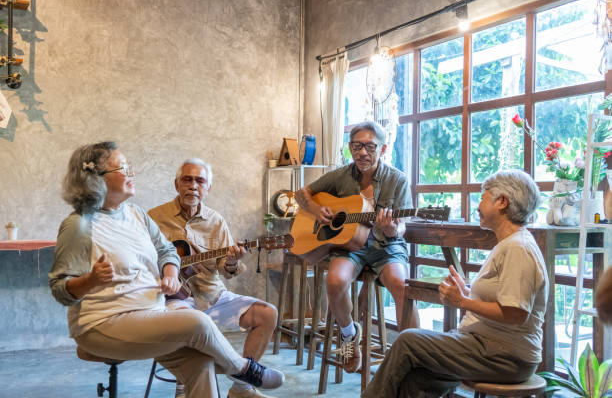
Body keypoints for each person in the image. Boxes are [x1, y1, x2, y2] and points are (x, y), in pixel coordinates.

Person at [49, 142, 284, 398]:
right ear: (95, 178)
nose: (131, 174)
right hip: (103, 323)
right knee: (197, 322)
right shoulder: (78, 225)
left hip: (154, 313)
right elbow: (60, 289)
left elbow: (167, 251)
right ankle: (243, 369)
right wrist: (90, 281)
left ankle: (239, 381)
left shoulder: (136, 213)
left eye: (130, 168)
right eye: (123, 168)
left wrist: (171, 274)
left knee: (201, 364)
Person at [362, 169, 549, 398]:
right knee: (417, 380)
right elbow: (500, 299)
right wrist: (467, 293)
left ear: (502, 202)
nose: (478, 205)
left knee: (407, 340)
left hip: (506, 356)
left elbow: (515, 313)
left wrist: (462, 301)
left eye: (483, 197)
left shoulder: (519, 248)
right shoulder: (508, 244)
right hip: (483, 345)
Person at [148, 158, 279, 398]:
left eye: (200, 181)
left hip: (212, 295)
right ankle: (185, 386)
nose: (193, 186)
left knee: (267, 313)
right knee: (187, 322)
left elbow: (227, 269)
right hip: (172, 299)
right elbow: (140, 259)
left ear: (208, 188)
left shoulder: (216, 221)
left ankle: (241, 388)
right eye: (187, 180)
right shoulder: (154, 217)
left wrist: (231, 261)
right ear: (176, 184)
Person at [295, 120, 418, 373]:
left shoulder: (398, 180)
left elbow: (402, 226)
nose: (363, 152)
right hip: (351, 247)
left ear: (382, 149)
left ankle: (414, 354)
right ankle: (349, 335)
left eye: (370, 147)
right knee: (335, 281)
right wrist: (317, 210)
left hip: (387, 246)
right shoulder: (341, 176)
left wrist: (392, 228)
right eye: (357, 146)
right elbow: (301, 194)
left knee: (401, 286)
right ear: (350, 147)